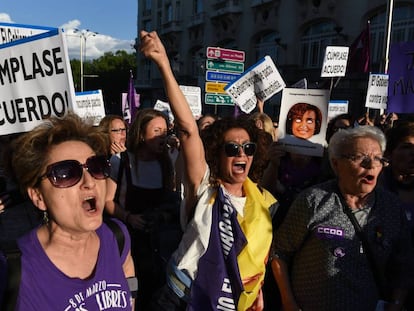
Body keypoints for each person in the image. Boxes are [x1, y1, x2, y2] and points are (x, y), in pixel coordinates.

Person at [139, 30, 278, 311]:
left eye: (248, 148)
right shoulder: (204, 189)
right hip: (185, 299)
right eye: (232, 148)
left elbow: (258, 255)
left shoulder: (263, 200)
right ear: (216, 153)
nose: (241, 154)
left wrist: (256, 290)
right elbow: (189, 130)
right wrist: (164, 64)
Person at [271, 125, 414, 311]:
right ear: (336, 163)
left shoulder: (391, 207)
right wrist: (288, 302)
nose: (371, 165)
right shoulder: (313, 200)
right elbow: (279, 252)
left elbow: (403, 264)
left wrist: (396, 303)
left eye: (378, 159)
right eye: (360, 158)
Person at [5, 113, 136, 310]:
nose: (90, 182)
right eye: (65, 173)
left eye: (96, 167)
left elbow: (127, 271)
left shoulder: (116, 236)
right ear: (38, 197)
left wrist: (132, 299)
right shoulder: (12, 271)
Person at [105, 108, 181, 311]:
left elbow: (172, 201)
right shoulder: (120, 162)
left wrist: (162, 216)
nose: (162, 137)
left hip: (156, 247)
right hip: (127, 242)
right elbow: (107, 202)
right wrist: (129, 218)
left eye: (165, 131)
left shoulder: (168, 163)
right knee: (130, 291)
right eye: (156, 131)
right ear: (141, 133)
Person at [379, 121, 414, 310]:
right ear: (390, 154)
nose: (413, 153)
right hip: (381, 283)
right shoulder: (373, 187)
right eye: (407, 147)